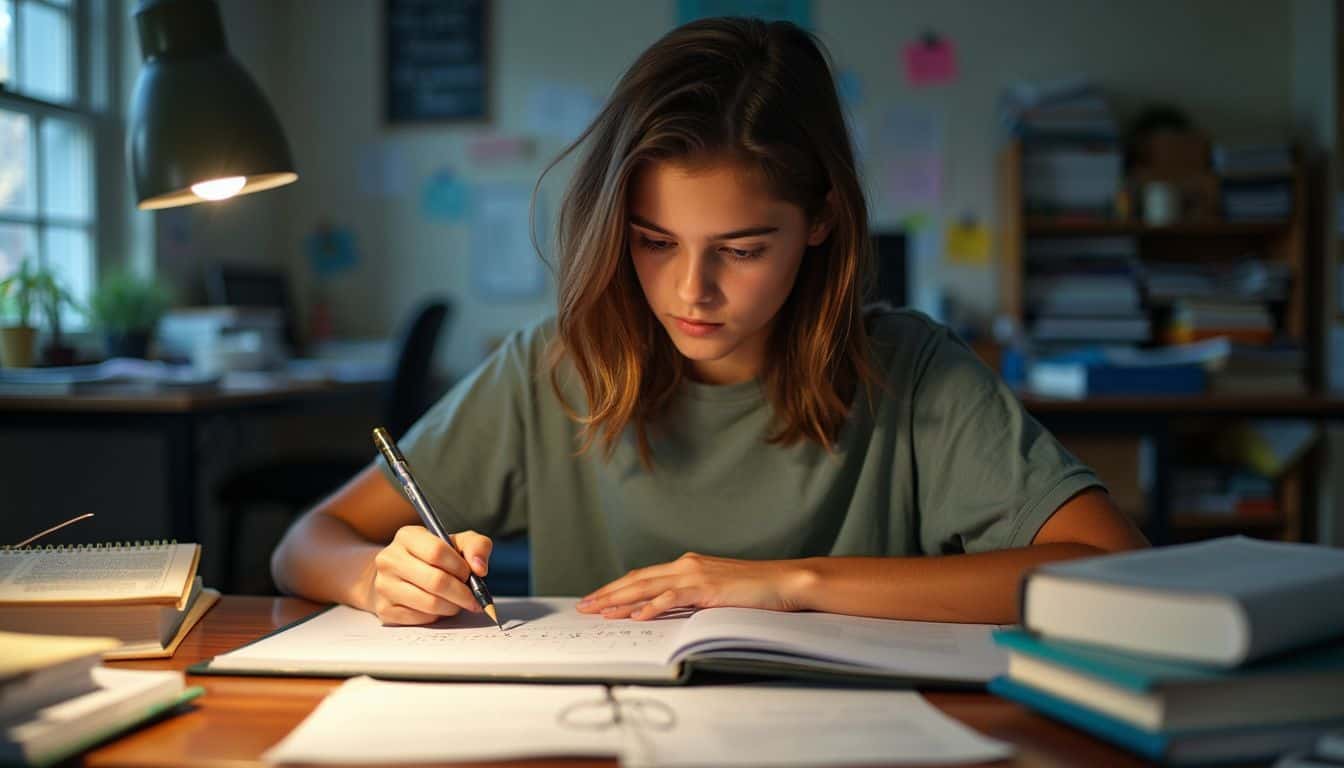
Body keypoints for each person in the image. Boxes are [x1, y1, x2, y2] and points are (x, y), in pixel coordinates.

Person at [271, 17, 1147, 627]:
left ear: (823, 220)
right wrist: (376, 577)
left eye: (742, 248)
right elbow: (305, 543)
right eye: (654, 242)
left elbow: (1109, 568)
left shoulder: (913, 371)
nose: (691, 291)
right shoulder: (557, 368)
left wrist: (789, 585)